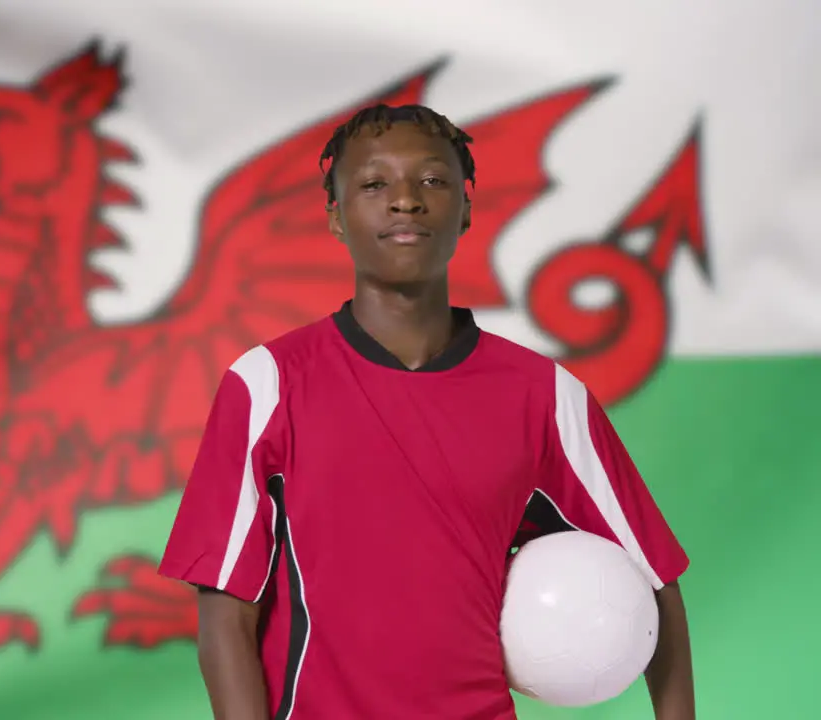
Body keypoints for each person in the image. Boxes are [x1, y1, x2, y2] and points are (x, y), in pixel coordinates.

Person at [156, 104, 695, 720]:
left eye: (432, 181)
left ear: (466, 208)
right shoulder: (267, 385)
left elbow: (653, 579)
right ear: (336, 216)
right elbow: (225, 614)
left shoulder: (544, 396)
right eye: (373, 183)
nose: (405, 201)